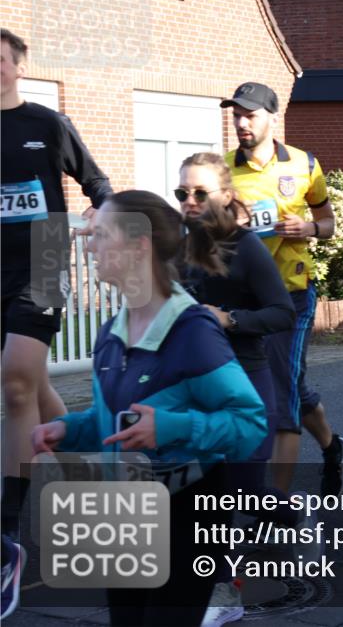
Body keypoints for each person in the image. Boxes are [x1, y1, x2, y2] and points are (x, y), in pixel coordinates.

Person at [31, 190, 267, 626]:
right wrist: (68, 429)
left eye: (101, 235)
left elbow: (250, 423)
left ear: (139, 245)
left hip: (189, 513)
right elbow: (115, 420)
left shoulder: (191, 331)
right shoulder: (110, 332)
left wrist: (174, 427)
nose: (89, 245)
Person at [172, 153, 317, 627]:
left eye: (200, 194)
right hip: (196, 386)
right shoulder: (178, 247)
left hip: (246, 384)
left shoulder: (247, 246)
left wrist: (230, 319)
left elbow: (283, 313)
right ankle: (290, 514)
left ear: (226, 196)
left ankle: (226, 592)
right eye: (182, 194)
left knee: (231, 494)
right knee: (223, 494)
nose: (189, 203)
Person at [1, 28, 114, 619]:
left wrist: (101, 210)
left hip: (44, 254)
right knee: (36, 385)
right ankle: (90, 492)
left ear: (18, 65)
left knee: (16, 381)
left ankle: (5, 537)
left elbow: (96, 181)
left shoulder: (47, 124)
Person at [221, 83, 343, 497]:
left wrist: (309, 228)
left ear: (272, 118)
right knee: (288, 383)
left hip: (292, 293)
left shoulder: (304, 164)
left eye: (250, 115)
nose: (242, 123)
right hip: (242, 298)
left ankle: (274, 505)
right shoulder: (223, 170)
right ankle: (333, 447)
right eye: (236, 114)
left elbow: (328, 224)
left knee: (279, 387)